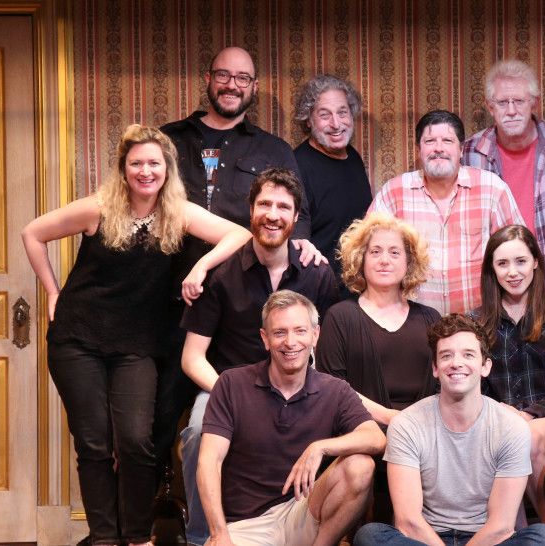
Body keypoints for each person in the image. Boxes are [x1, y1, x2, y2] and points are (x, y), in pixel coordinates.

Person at [21, 124, 252, 546]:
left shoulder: (177, 213)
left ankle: (138, 537)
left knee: (135, 441)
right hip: (77, 339)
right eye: (136, 163)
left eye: (153, 163)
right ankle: (104, 538)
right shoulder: (99, 209)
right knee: (93, 443)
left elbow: (240, 235)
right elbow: (32, 233)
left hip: (137, 346)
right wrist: (53, 292)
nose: (145, 171)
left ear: (167, 169)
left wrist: (200, 266)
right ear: (123, 169)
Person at [155, 45, 323, 475]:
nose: (232, 85)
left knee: (225, 421)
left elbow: (296, 215)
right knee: (153, 425)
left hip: (238, 305)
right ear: (208, 79)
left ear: (254, 87)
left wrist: (304, 245)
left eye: (242, 78)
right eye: (224, 76)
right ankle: (155, 510)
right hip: (163, 304)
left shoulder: (272, 148)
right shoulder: (169, 140)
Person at [178, 168, 338, 545]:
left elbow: (324, 348)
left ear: (295, 217)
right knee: (198, 432)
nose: (273, 214)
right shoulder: (220, 273)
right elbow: (192, 357)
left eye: (283, 207)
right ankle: (203, 538)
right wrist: (232, 393)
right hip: (226, 385)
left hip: (297, 385)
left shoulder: (317, 273)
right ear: (250, 210)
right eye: (265, 204)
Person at [197, 290, 385, 546]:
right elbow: (210, 461)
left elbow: (375, 438)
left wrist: (320, 447)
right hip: (246, 527)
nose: (290, 342)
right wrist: (219, 534)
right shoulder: (231, 384)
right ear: (265, 338)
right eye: (279, 332)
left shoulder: (335, 390)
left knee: (361, 465)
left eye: (300, 331)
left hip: (303, 513)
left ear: (315, 335)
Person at [353, 314, 545, 546]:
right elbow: (409, 521)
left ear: (485, 366)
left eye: (468, 355)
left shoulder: (511, 427)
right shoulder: (406, 425)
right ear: (435, 368)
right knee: (370, 536)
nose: (456, 363)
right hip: (425, 538)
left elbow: (501, 526)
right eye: (446, 356)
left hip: (488, 538)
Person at [471, 224, 545, 527]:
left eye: (520, 261)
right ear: (492, 269)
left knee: (525, 438)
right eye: (502, 263)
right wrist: (501, 413)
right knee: (500, 440)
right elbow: (475, 390)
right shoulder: (476, 320)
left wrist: (526, 416)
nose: (512, 272)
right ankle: (514, 533)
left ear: (535, 263)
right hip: (498, 419)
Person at [371, 109, 524, 315]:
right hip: (411, 322)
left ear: (461, 149)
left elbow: (520, 251)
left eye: (447, 141)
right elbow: (368, 253)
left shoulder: (492, 189)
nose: (438, 148)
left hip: (480, 322)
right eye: (430, 141)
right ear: (418, 150)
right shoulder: (393, 192)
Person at [462, 60, 545, 284]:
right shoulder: (471, 151)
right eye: (502, 102)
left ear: (534, 103)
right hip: (497, 280)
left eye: (519, 101)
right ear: (490, 106)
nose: (511, 111)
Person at [316, 212, 439, 426]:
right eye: (375, 252)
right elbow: (332, 387)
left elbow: (444, 385)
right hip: (361, 432)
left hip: (427, 431)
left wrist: (419, 429)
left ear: (409, 262)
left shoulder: (431, 319)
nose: (384, 260)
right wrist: (394, 419)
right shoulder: (339, 317)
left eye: (394, 252)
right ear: (361, 259)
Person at [292, 74, 373, 289]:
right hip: (319, 289)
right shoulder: (297, 166)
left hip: (357, 288)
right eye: (324, 115)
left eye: (342, 112)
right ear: (308, 120)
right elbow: (296, 243)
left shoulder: (353, 157)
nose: (336, 124)